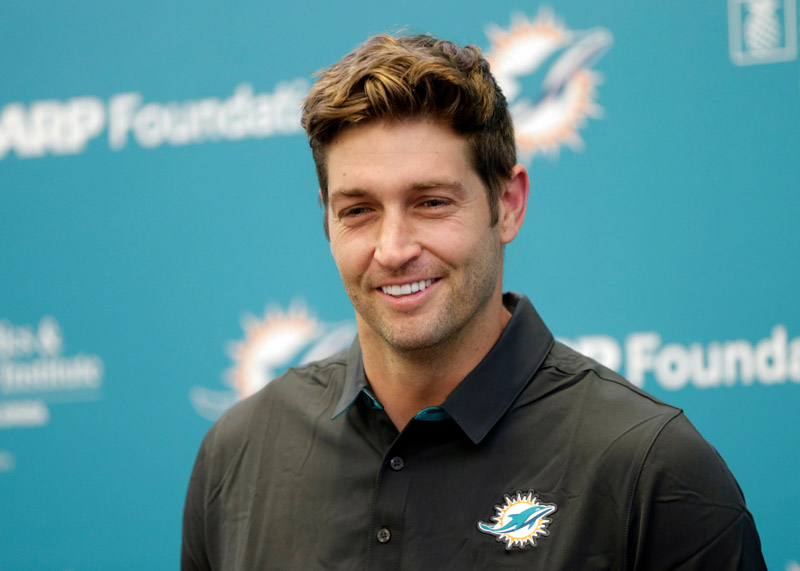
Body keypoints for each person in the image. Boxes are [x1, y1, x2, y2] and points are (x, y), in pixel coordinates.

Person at [182, 33, 766, 570]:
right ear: (327, 222)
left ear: (507, 204)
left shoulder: (651, 468)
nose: (393, 249)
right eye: (358, 210)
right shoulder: (238, 453)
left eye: (431, 203)